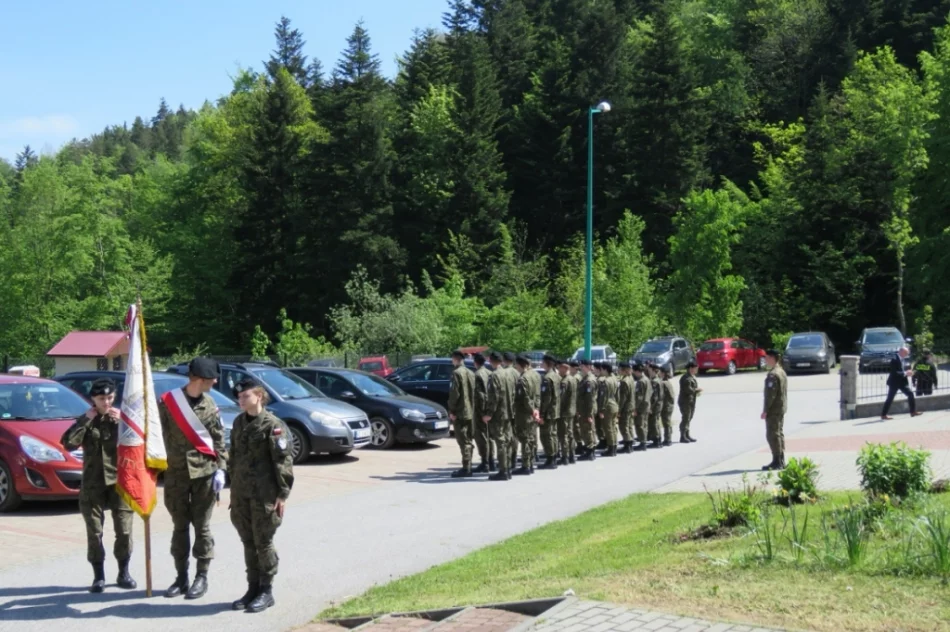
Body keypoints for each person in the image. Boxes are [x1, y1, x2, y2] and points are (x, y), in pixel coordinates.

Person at [159, 357, 229, 599]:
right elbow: (155, 435)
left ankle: (201, 577)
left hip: (204, 475)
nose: (215, 382)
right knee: (179, 527)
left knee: (202, 527)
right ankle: (181, 577)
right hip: (176, 474)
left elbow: (219, 440)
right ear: (199, 379)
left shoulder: (211, 405)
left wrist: (221, 468)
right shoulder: (168, 403)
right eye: (211, 378)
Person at [60, 378, 136, 593]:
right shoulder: (87, 419)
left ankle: (124, 572)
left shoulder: (122, 418)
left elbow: (140, 441)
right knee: (94, 532)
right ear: (93, 399)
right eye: (101, 398)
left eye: (110, 398)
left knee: (124, 530)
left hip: (120, 482)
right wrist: (86, 419)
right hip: (93, 482)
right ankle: (98, 575)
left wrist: (124, 421)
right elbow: (68, 442)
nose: (106, 402)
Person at [228, 378, 294, 613]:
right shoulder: (238, 422)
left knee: (263, 542)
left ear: (259, 396)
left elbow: (283, 461)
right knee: (248, 542)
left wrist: (282, 493)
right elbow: (233, 457)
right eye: (239, 397)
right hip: (241, 494)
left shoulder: (272, 425)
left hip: (264, 495)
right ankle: (252, 588)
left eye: (245, 396)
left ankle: (266, 590)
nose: (241, 400)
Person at [484, 351, 513, 481]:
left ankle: (503, 470)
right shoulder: (508, 374)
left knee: (500, 442)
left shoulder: (494, 375)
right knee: (506, 441)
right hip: (508, 412)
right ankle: (507, 468)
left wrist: (489, 413)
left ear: (491, 360)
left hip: (499, 414)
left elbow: (493, 397)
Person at [448, 350, 477, 478]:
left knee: (464, 440)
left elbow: (455, 394)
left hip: (461, 413)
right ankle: (468, 465)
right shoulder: (471, 373)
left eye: (452, 359)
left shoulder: (456, 373)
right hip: (471, 411)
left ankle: (466, 468)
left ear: (455, 359)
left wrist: (452, 410)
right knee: (468, 440)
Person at [512, 356, 541, 475]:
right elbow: (538, 395)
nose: (515, 367)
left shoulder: (523, 379)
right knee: (531, 438)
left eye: (516, 365)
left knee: (524, 439)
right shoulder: (536, 375)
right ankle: (530, 463)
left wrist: (531, 410)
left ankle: (526, 466)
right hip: (533, 411)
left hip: (524, 413)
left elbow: (525, 398)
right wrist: (536, 409)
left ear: (520, 365)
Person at [762, 349, 788, 470]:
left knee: (772, 434)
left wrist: (765, 410)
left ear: (772, 358)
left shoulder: (773, 374)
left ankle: (777, 460)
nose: (765, 360)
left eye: (766, 357)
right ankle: (781, 459)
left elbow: (770, 395)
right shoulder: (781, 371)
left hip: (774, 409)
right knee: (779, 433)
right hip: (781, 408)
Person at [881, 346, 922, 420]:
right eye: (906, 353)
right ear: (901, 352)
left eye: (907, 353)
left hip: (902, 382)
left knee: (910, 394)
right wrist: (905, 373)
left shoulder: (903, 359)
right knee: (890, 398)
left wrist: (909, 372)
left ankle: (913, 412)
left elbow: (903, 369)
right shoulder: (894, 359)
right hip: (894, 382)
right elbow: (894, 372)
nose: (907, 355)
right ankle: (883, 415)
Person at [472, 353, 495, 473]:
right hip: (490, 409)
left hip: (481, 410)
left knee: (481, 436)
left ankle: (485, 462)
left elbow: (479, 396)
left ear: (475, 362)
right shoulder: (489, 373)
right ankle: (491, 462)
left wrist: (481, 412)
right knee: (489, 436)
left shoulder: (477, 374)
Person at [539, 355, 562, 469]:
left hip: (548, 412)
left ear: (547, 363)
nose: (541, 364)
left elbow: (546, 398)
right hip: (555, 410)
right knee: (553, 434)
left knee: (546, 435)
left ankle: (550, 458)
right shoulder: (557, 376)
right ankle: (553, 457)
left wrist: (542, 414)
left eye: (542, 362)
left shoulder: (547, 378)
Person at [575, 359, 598, 461]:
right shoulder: (585, 379)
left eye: (582, 366)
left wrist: (588, 414)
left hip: (587, 409)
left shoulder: (589, 380)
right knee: (587, 430)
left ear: (588, 366)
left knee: (588, 430)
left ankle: (590, 451)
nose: (581, 368)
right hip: (584, 409)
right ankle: (589, 449)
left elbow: (590, 399)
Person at [556, 358, 577, 466]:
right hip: (571, 410)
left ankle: (565, 456)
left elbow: (561, 397)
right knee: (570, 434)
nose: (558, 370)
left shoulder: (564, 381)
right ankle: (572, 455)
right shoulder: (572, 379)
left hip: (564, 411)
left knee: (563, 434)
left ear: (565, 368)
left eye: (559, 368)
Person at [600, 363, 620, 457]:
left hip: (608, 406)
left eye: (602, 369)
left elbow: (603, 397)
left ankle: (611, 448)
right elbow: (617, 394)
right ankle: (614, 446)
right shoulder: (614, 379)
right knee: (613, 427)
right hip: (614, 404)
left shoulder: (606, 381)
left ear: (605, 370)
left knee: (608, 428)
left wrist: (601, 409)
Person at [678, 361, 701, 443]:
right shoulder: (686, 378)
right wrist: (696, 390)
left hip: (691, 400)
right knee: (686, 418)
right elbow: (688, 390)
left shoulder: (692, 376)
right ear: (690, 368)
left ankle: (687, 434)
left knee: (689, 418)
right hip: (685, 401)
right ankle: (682, 436)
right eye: (695, 368)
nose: (696, 370)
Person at [632, 363, 652, 452]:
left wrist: (635, 408)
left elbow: (639, 397)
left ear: (637, 371)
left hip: (641, 406)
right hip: (646, 405)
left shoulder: (641, 382)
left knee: (639, 425)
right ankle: (644, 441)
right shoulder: (647, 379)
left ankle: (642, 442)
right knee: (644, 424)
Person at [617, 362, 635, 453]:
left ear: (623, 370)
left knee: (624, 426)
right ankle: (629, 443)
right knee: (628, 425)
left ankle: (628, 445)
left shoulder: (624, 381)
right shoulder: (630, 378)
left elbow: (623, 398)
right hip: (631, 405)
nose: (618, 371)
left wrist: (619, 410)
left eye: (619, 369)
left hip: (626, 407)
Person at [648, 363, 663, 449]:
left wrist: (651, 407)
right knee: (656, 422)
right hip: (659, 404)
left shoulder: (654, 381)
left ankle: (657, 440)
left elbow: (654, 396)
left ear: (654, 370)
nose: (648, 371)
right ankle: (658, 439)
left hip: (655, 405)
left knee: (654, 423)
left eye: (650, 370)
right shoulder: (659, 380)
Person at [660, 366, 676, 446]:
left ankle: (668, 439)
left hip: (666, 405)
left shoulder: (663, 383)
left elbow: (661, 395)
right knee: (668, 422)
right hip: (669, 405)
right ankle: (668, 437)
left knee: (666, 423)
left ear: (663, 373)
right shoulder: (668, 382)